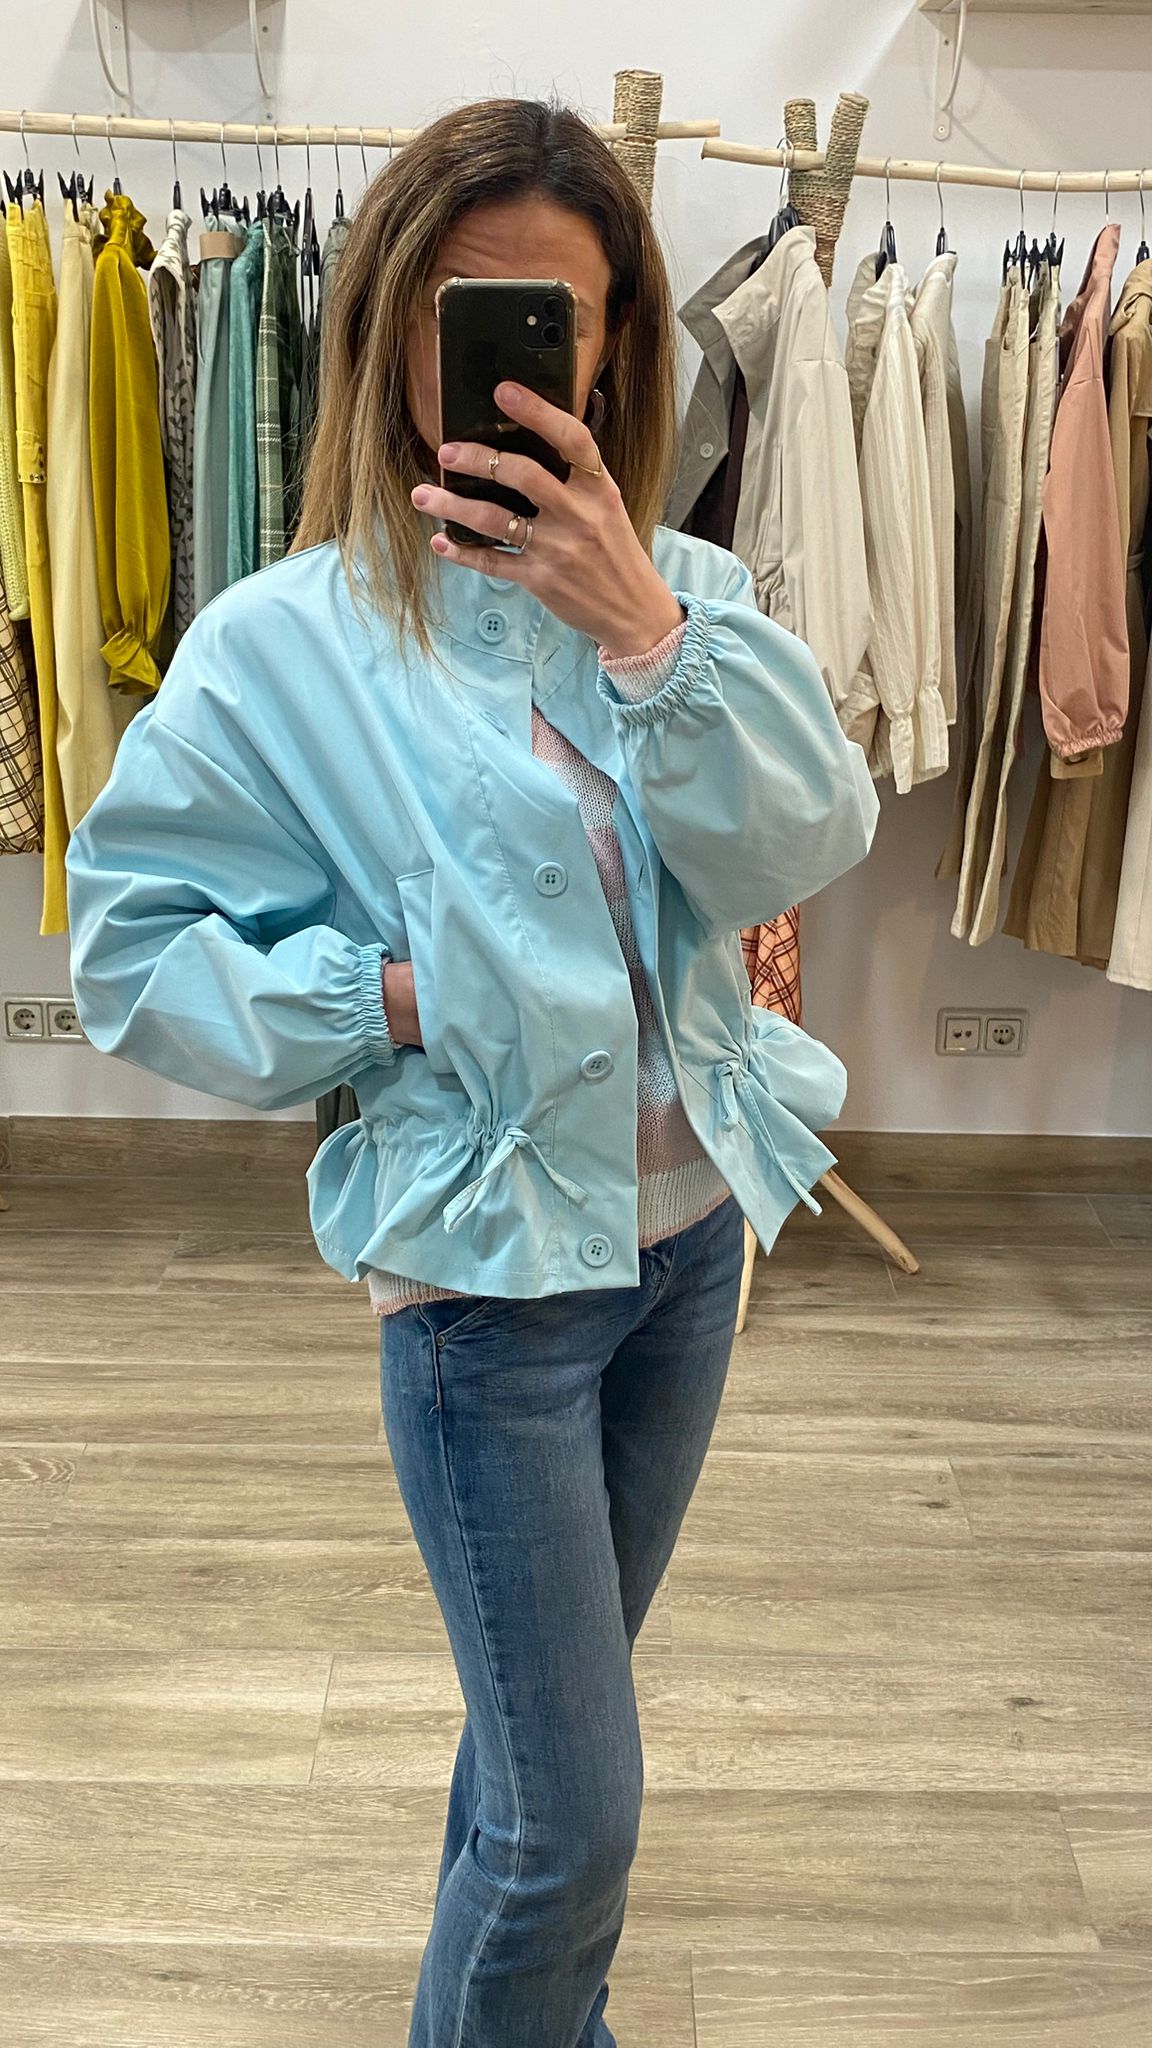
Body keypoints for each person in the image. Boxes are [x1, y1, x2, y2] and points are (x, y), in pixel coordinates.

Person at [64, 98, 879, 2048]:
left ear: (610, 347)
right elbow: (128, 949)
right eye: (463, 306)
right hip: (484, 1302)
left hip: (690, 1257)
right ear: (385, 326)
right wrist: (391, 999)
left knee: (532, 1776)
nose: (510, 356)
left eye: (556, 314)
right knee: (572, 1821)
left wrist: (647, 632)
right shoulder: (286, 648)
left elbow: (807, 837)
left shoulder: (689, 601)